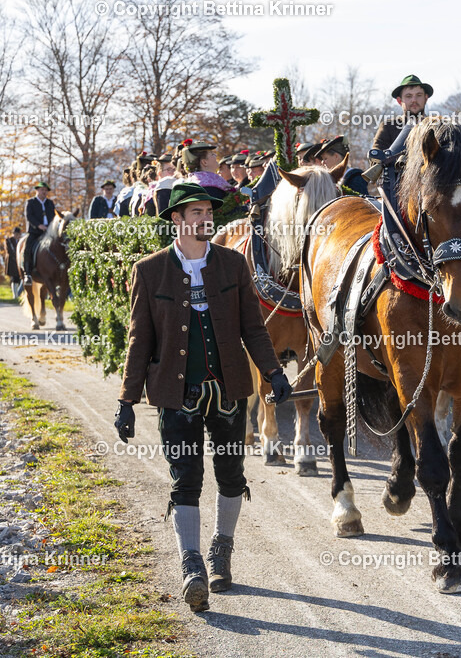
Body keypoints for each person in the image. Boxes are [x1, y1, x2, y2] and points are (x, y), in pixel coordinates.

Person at [114, 181, 292, 613]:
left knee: (232, 476)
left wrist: (272, 372)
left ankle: (221, 549)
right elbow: (139, 341)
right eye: (195, 212)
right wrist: (126, 400)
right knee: (185, 480)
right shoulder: (150, 270)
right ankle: (191, 564)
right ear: (176, 219)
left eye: (208, 212)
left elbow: (253, 327)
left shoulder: (232, 265)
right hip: (176, 395)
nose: (204, 219)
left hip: (229, 391)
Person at [371, 74, 433, 152]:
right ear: (399, 101)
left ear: (426, 98)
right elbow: (376, 160)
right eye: (408, 96)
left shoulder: (437, 127)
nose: (414, 100)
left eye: (419, 95)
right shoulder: (388, 127)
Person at [22, 182, 56, 287]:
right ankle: (27, 274)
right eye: (42, 190)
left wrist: (50, 227)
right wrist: (38, 225)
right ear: (37, 190)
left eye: (46, 190)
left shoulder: (50, 203)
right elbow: (29, 216)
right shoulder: (30, 202)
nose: (44, 192)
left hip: (49, 232)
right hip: (35, 231)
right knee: (28, 248)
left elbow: (53, 216)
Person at [5, 227, 23, 299]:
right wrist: (16, 256)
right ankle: (14, 295)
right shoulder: (8, 240)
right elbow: (9, 250)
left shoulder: (21, 241)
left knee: (19, 278)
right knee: (14, 278)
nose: (17, 235)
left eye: (18, 234)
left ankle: (18, 294)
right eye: (15, 234)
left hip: (19, 261)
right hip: (12, 261)